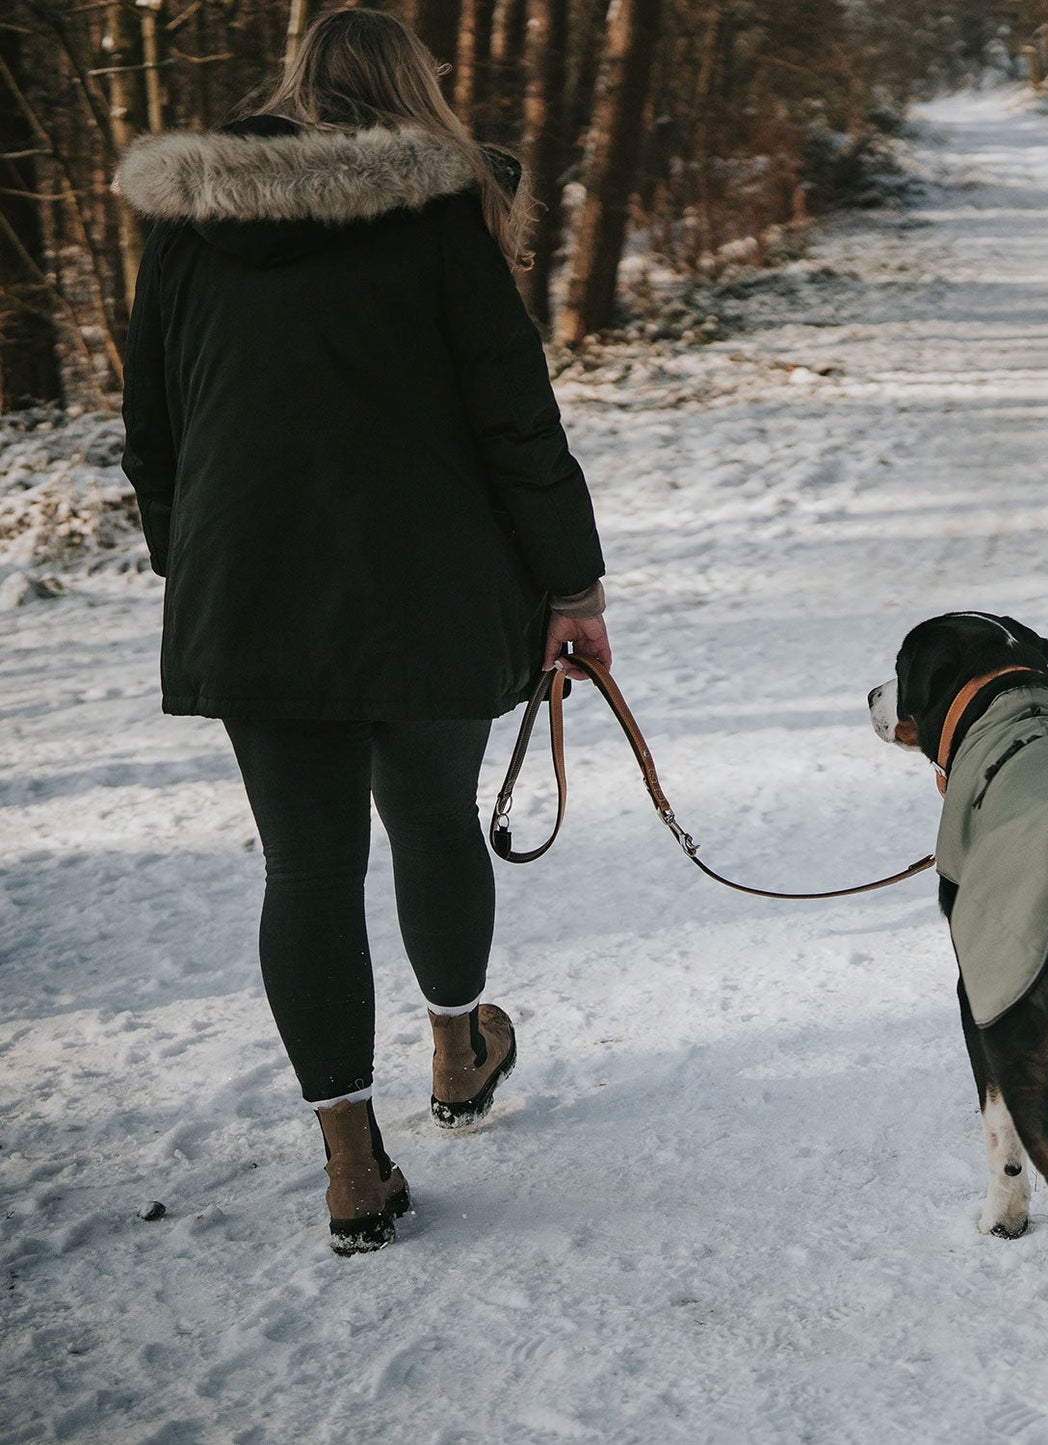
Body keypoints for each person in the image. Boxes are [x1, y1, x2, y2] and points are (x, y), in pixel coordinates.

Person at [114, 8, 610, 1256]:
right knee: (432, 818)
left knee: (307, 868)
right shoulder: (438, 212)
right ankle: (456, 1048)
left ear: (292, 86)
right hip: (429, 586)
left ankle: (349, 1158)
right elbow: (514, 418)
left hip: (250, 592)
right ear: (414, 96)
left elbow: (152, 425)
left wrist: (204, 568)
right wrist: (574, 589)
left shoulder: (190, 218)